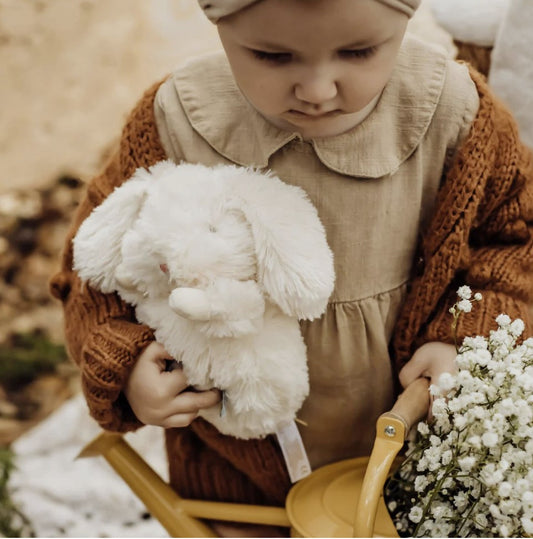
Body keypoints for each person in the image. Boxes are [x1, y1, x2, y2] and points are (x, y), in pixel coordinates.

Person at [50, 0, 533, 535]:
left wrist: (465, 338)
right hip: (237, 468)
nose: (318, 89)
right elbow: (91, 270)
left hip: (418, 458)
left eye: (358, 51)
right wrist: (127, 362)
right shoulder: (176, 121)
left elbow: (515, 240)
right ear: (219, 23)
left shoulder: (452, 112)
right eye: (272, 56)